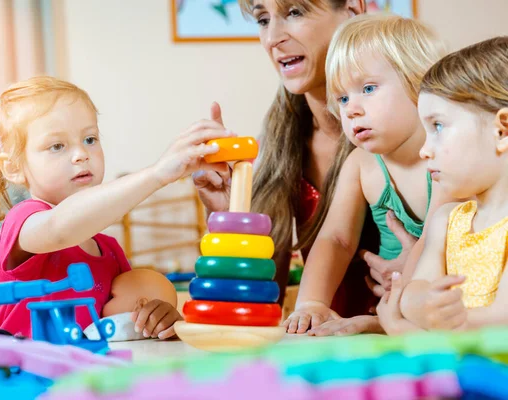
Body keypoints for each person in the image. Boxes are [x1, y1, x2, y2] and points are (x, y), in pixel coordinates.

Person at [193, 0, 418, 323]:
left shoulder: (411, 135)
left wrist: (430, 263)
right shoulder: (281, 143)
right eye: (262, 19)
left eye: (294, 12)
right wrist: (229, 216)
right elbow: (257, 303)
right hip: (325, 349)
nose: (272, 38)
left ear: (353, 10)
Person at [0, 76, 232, 339]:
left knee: (153, 284)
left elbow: (117, 326)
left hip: (89, 372)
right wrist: (157, 174)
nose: (81, 154)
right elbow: (59, 228)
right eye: (57, 146)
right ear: (13, 167)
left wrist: (158, 320)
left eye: (90, 139)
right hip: (21, 375)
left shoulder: (109, 250)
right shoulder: (23, 221)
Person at [287, 13, 446, 336]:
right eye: (343, 98)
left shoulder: (444, 157)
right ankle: (383, 322)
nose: (351, 109)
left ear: (419, 83)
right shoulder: (362, 165)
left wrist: (406, 277)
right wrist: (311, 303)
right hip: (392, 304)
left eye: (368, 88)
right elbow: (336, 239)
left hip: (441, 299)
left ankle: (383, 323)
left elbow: (435, 242)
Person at [377, 37, 508, 334]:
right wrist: (420, 305)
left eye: (437, 126)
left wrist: (401, 327)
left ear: (502, 130)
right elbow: (413, 292)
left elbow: (500, 321)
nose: (425, 150)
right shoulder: (446, 221)